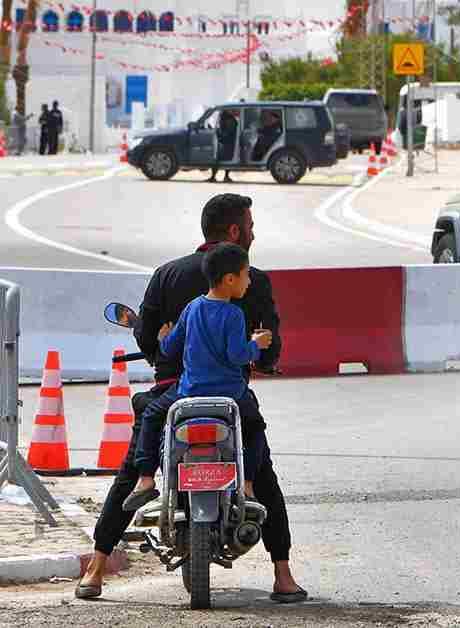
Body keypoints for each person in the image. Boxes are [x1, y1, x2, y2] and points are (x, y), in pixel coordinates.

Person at [77, 193, 306, 604]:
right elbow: (268, 350)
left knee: (131, 470)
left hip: (175, 393)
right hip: (230, 398)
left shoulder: (167, 275)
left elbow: (152, 339)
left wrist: (164, 349)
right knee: (262, 468)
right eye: (250, 226)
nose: (254, 233)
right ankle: (283, 575)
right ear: (234, 231)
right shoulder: (250, 281)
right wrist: (262, 354)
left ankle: (95, 570)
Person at [122, 243, 273, 513]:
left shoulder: (192, 309)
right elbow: (237, 356)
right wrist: (256, 344)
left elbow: (169, 349)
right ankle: (248, 486)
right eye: (246, 274)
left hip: (188, 392)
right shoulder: (234, 314)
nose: (249, 281)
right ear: (230, 279)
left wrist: (162, 338)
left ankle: (145, 480)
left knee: (153, 416)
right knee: (255, 428)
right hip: (230, 394)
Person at [208, 109, 239, 183]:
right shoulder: (225, 119)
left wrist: (218, 134)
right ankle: (218, 176)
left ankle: (218, 176)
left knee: (217, 160)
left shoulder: (230, 120)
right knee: (218, 160)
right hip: (226, 143)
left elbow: (227, 133)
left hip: (227, 143)